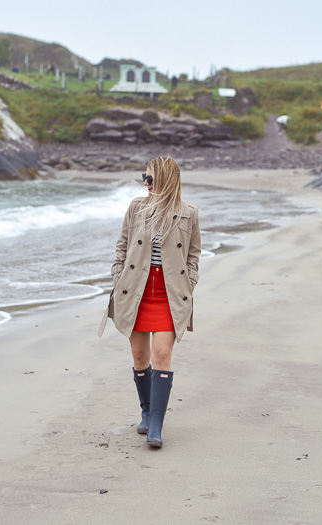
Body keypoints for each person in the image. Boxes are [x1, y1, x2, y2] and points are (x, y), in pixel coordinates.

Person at [98, 155, 201, 448]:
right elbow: (122, 246)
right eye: (143, 177)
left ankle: (156, 424)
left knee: (162, 356)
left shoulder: (189, 213)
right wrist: (119, 278)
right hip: (136, 292)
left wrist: (188, 283)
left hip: (169, 295)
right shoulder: (136, 208)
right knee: (141, 358)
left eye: (151, 179)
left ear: (167, 180)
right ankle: (145, 412)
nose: (145, 183)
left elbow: (194, 254)